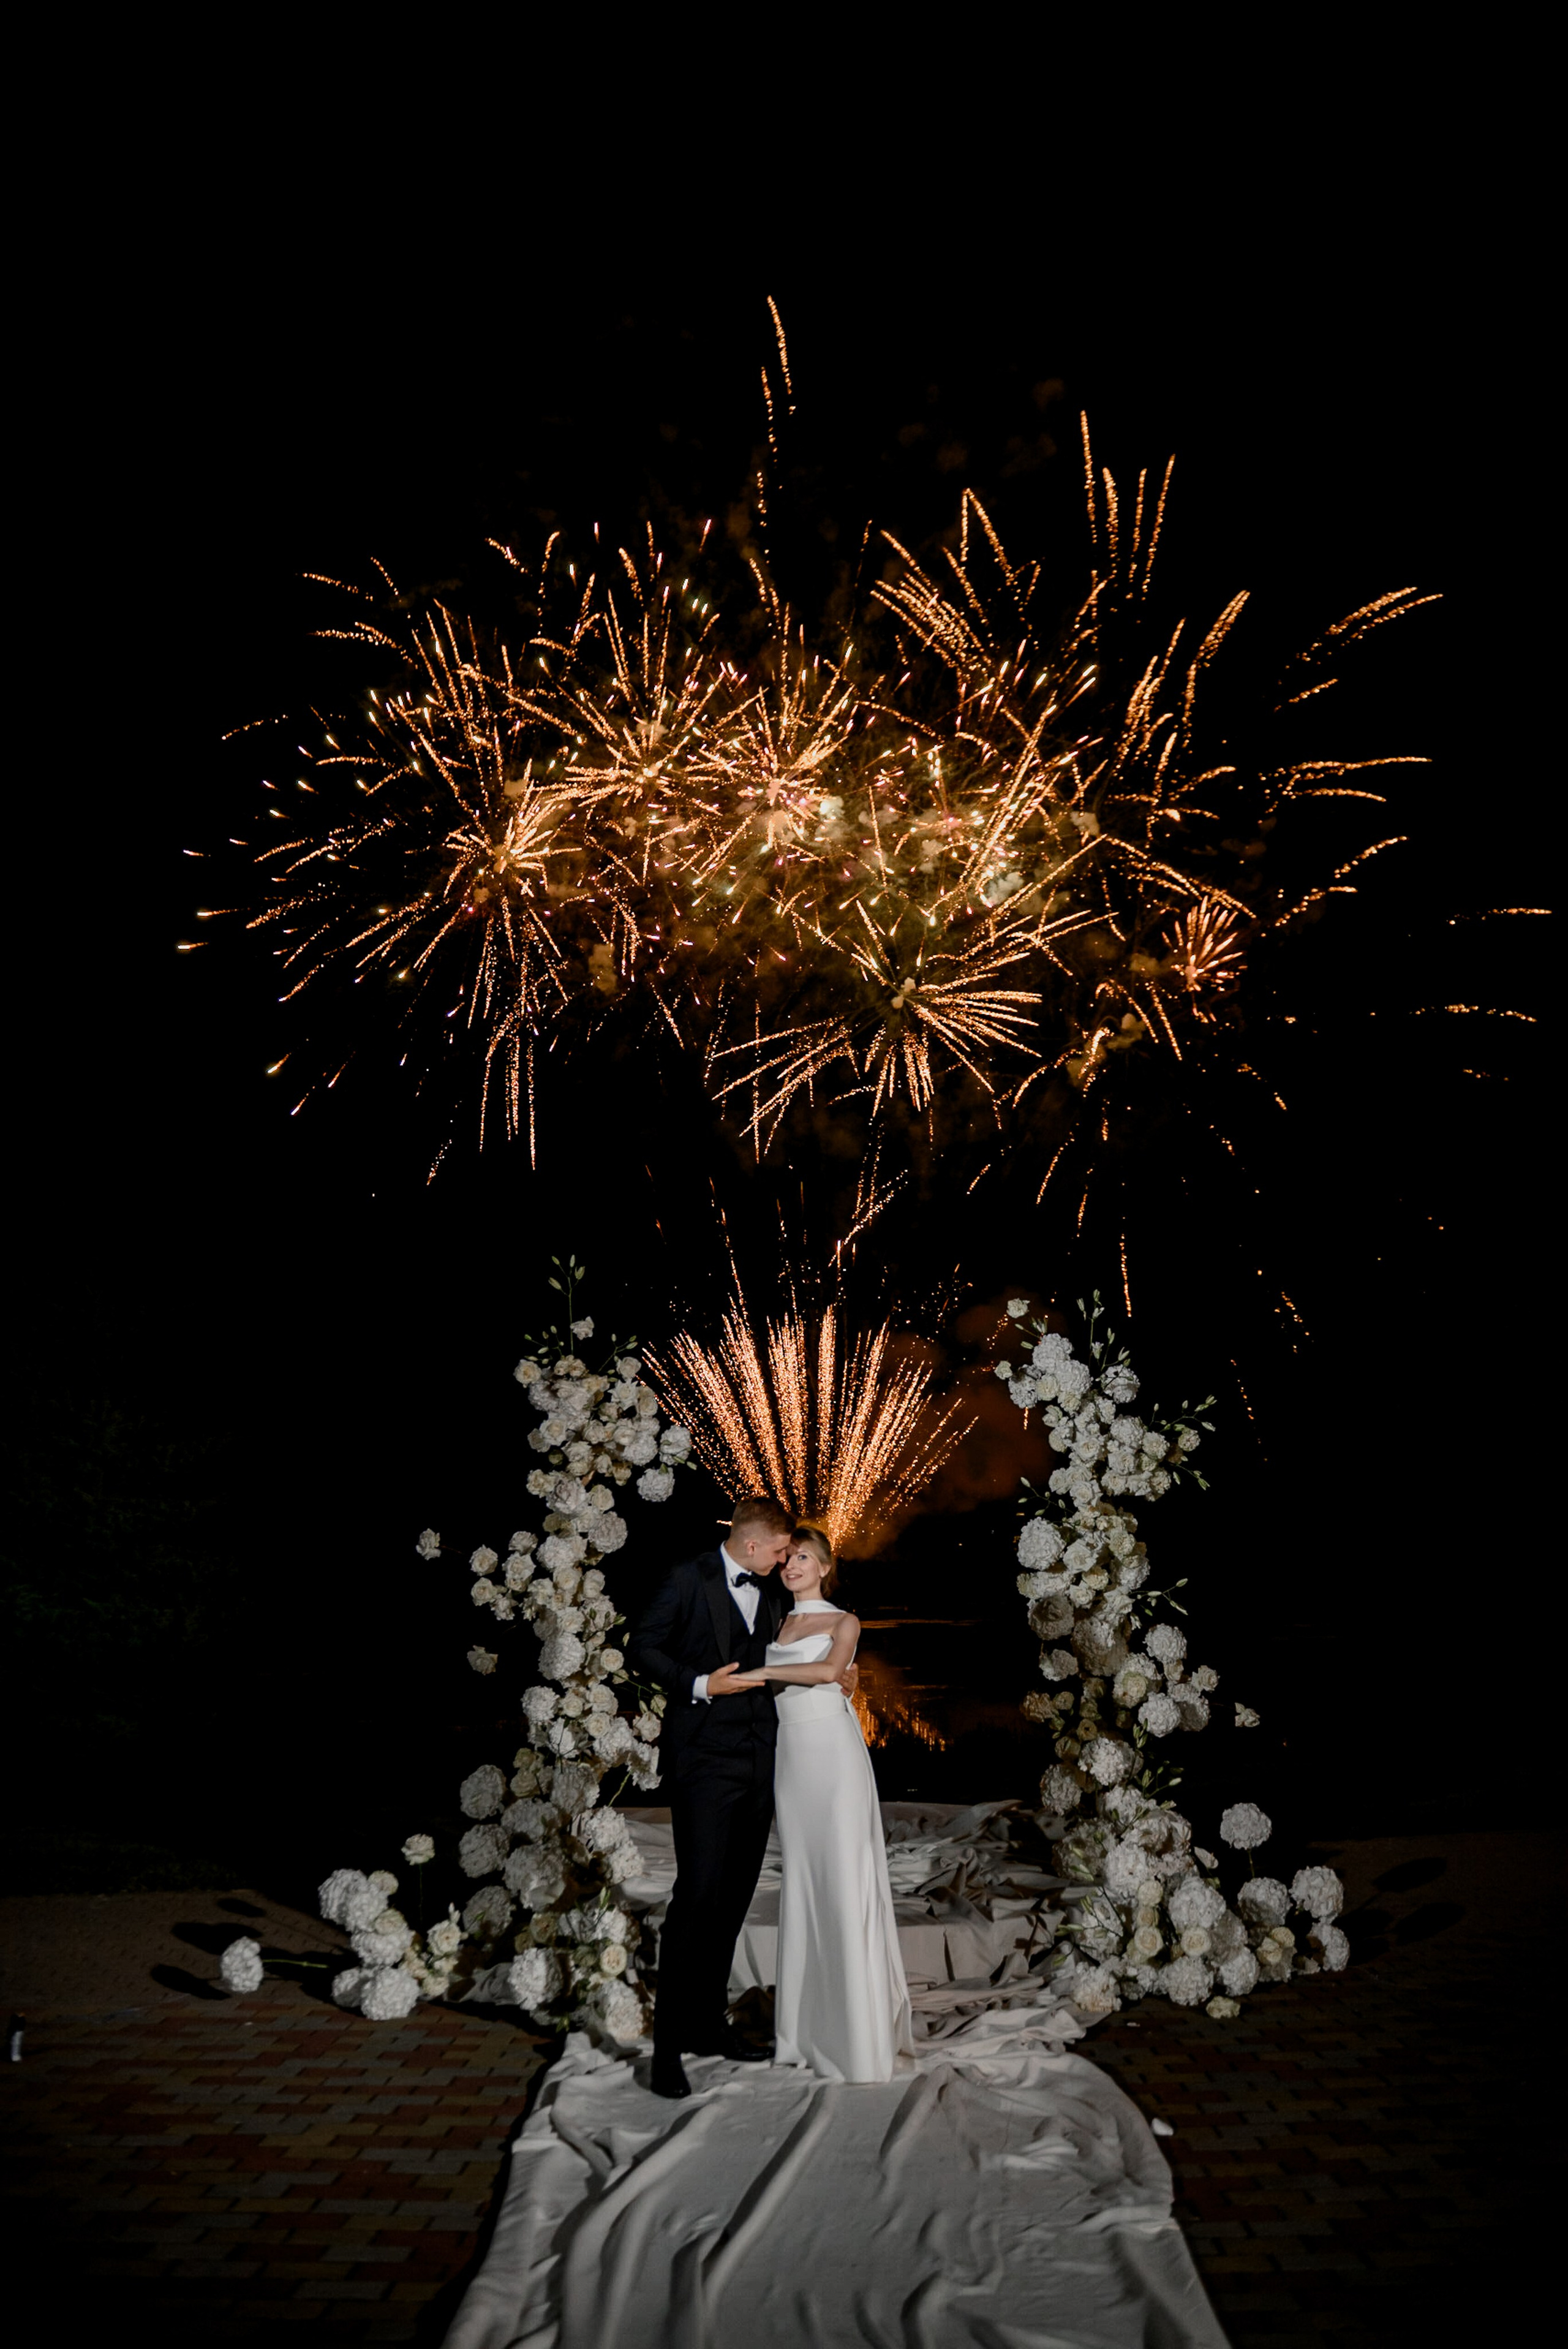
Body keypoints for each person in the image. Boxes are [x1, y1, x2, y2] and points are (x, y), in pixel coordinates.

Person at [630, 1495, 853, 2100]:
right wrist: (700, 1683)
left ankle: (709, 2026)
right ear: (752, 1544)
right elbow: (643, 1646)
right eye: (780, 1550)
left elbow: (803, 1651)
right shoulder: (687, 1577)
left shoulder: (775, 1590)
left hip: (763, 1764)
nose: (785, 1561)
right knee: (696, 1898)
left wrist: (844, 1672)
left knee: (732, 1903)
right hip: (704, 1764)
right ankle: (667, 2049)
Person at [730, 1526, 914, 2082]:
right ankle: (804, 2031)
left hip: (834, 1758)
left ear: (826, 1566)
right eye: (788, 1558)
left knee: (842, 1881)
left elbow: (832, 1673)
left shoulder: (844, 1621)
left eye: (804, 1558)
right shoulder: (775, 1620)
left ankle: (858, 2039)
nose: (792, 1566)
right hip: (792, 1761)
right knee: (805, 1884)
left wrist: (765, 1672)